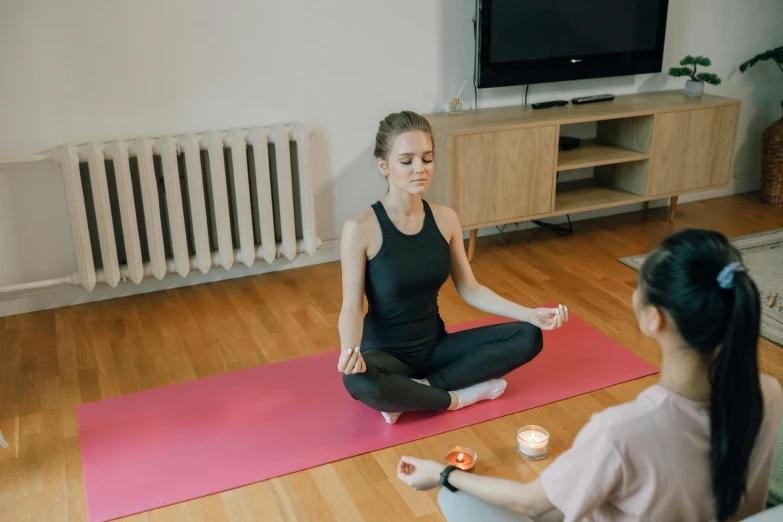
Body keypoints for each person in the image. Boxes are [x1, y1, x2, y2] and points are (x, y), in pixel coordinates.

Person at [397, 229, 783, 522]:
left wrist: (442, 473)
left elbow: (529, 501)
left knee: (453, 496)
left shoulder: (621, 431)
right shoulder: (768, 392)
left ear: (655, 318)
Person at [338, 110, 568, 424]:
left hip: (436, 347)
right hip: (386, 356)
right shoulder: (360, 227)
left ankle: (418, 391)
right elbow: (351, 307)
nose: (420, 169)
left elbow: (469, 288)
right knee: (357, 380)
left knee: (528, 336)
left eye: (427, 158)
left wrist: (529, 313)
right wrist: (349, 351)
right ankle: (459, 398)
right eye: (407, 161)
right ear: (383, 166)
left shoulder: (445, 218)